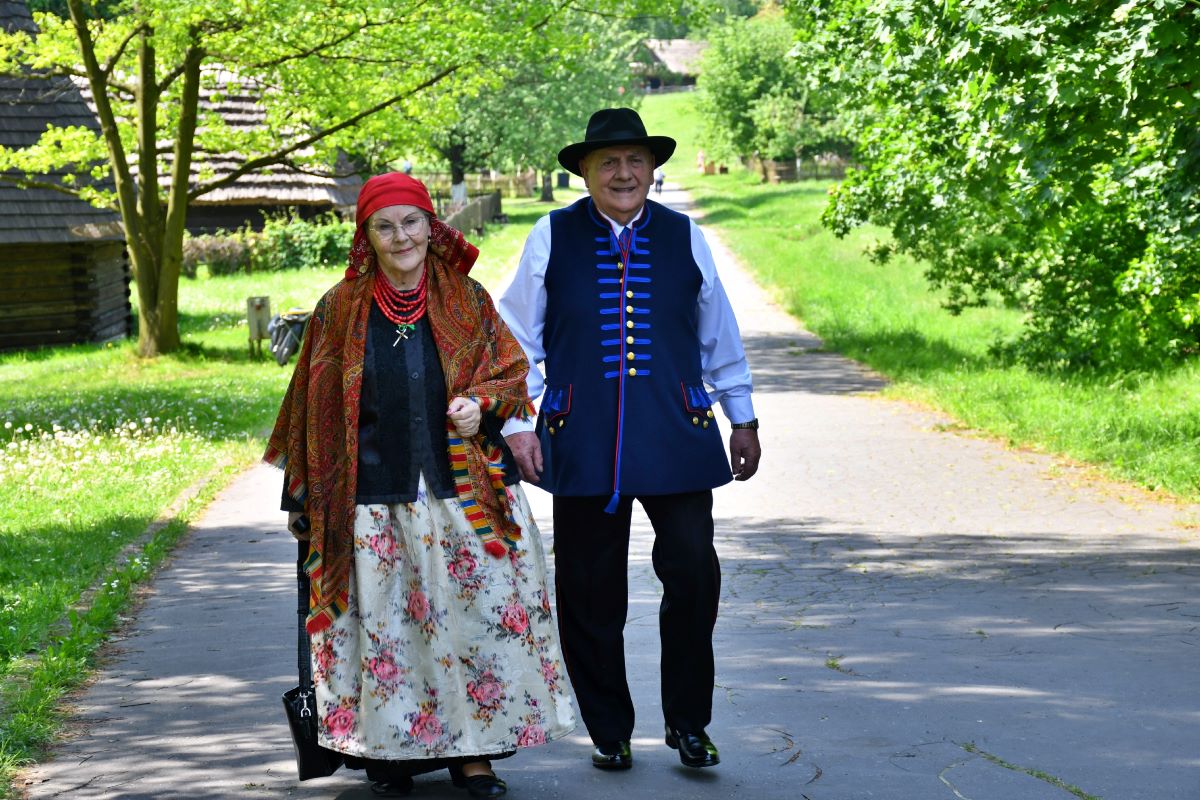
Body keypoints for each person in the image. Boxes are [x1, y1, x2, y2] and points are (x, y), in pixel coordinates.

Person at [265, 172, 575, 799]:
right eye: (385, 225)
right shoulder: (339, 309)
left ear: (432, 227)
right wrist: (315, 496)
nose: (400, 236)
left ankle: (475, 756)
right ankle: (395, 754)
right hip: (371, 503)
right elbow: (312, 406)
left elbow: (511, 374)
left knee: (474, 621)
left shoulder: (466, 298)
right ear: (367, 236)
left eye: (411, 222)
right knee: (389, 630)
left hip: (463, 497)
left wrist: (480, 404)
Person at [497, 108, 761, 773]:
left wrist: (744, 416)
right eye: (608, 162)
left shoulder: (685, 236)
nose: (623, 173)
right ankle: (608, 728)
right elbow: (514, 341)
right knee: (589, 591)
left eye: (635, 161)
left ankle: (689, 723)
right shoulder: (550, 235)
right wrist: (519, 423)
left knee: (695, 572)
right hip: (581, 438)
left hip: (678, 435)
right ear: (585, 172)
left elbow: (717, 334)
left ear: (652, 169)